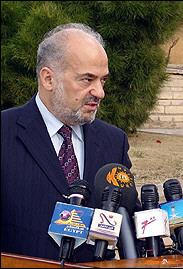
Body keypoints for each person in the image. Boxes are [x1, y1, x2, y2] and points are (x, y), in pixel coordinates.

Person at [1, 23, 142, 263]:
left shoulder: (113, 141)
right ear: (48, 79)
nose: (99, 92)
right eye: (87, 79)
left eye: (103, 80)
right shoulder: (5, 132)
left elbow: (128, 220)